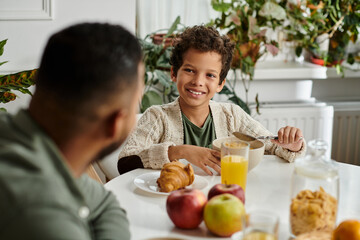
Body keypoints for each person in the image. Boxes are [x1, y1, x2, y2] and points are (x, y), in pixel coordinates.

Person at [0, 23, 144, 239]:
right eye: (136, 106)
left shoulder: (30, 144)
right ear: (115, 122)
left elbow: (105, 204)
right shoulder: (41, 217)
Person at [118, 25, 305, 176]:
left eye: (210, 75)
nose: (198, 82)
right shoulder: (157, 117)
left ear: (220, 84)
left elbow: (272, 147)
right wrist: (179, 151)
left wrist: (292, 145)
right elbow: (125, 163)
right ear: (174, 73)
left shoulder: (232, 116)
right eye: (190, 70)